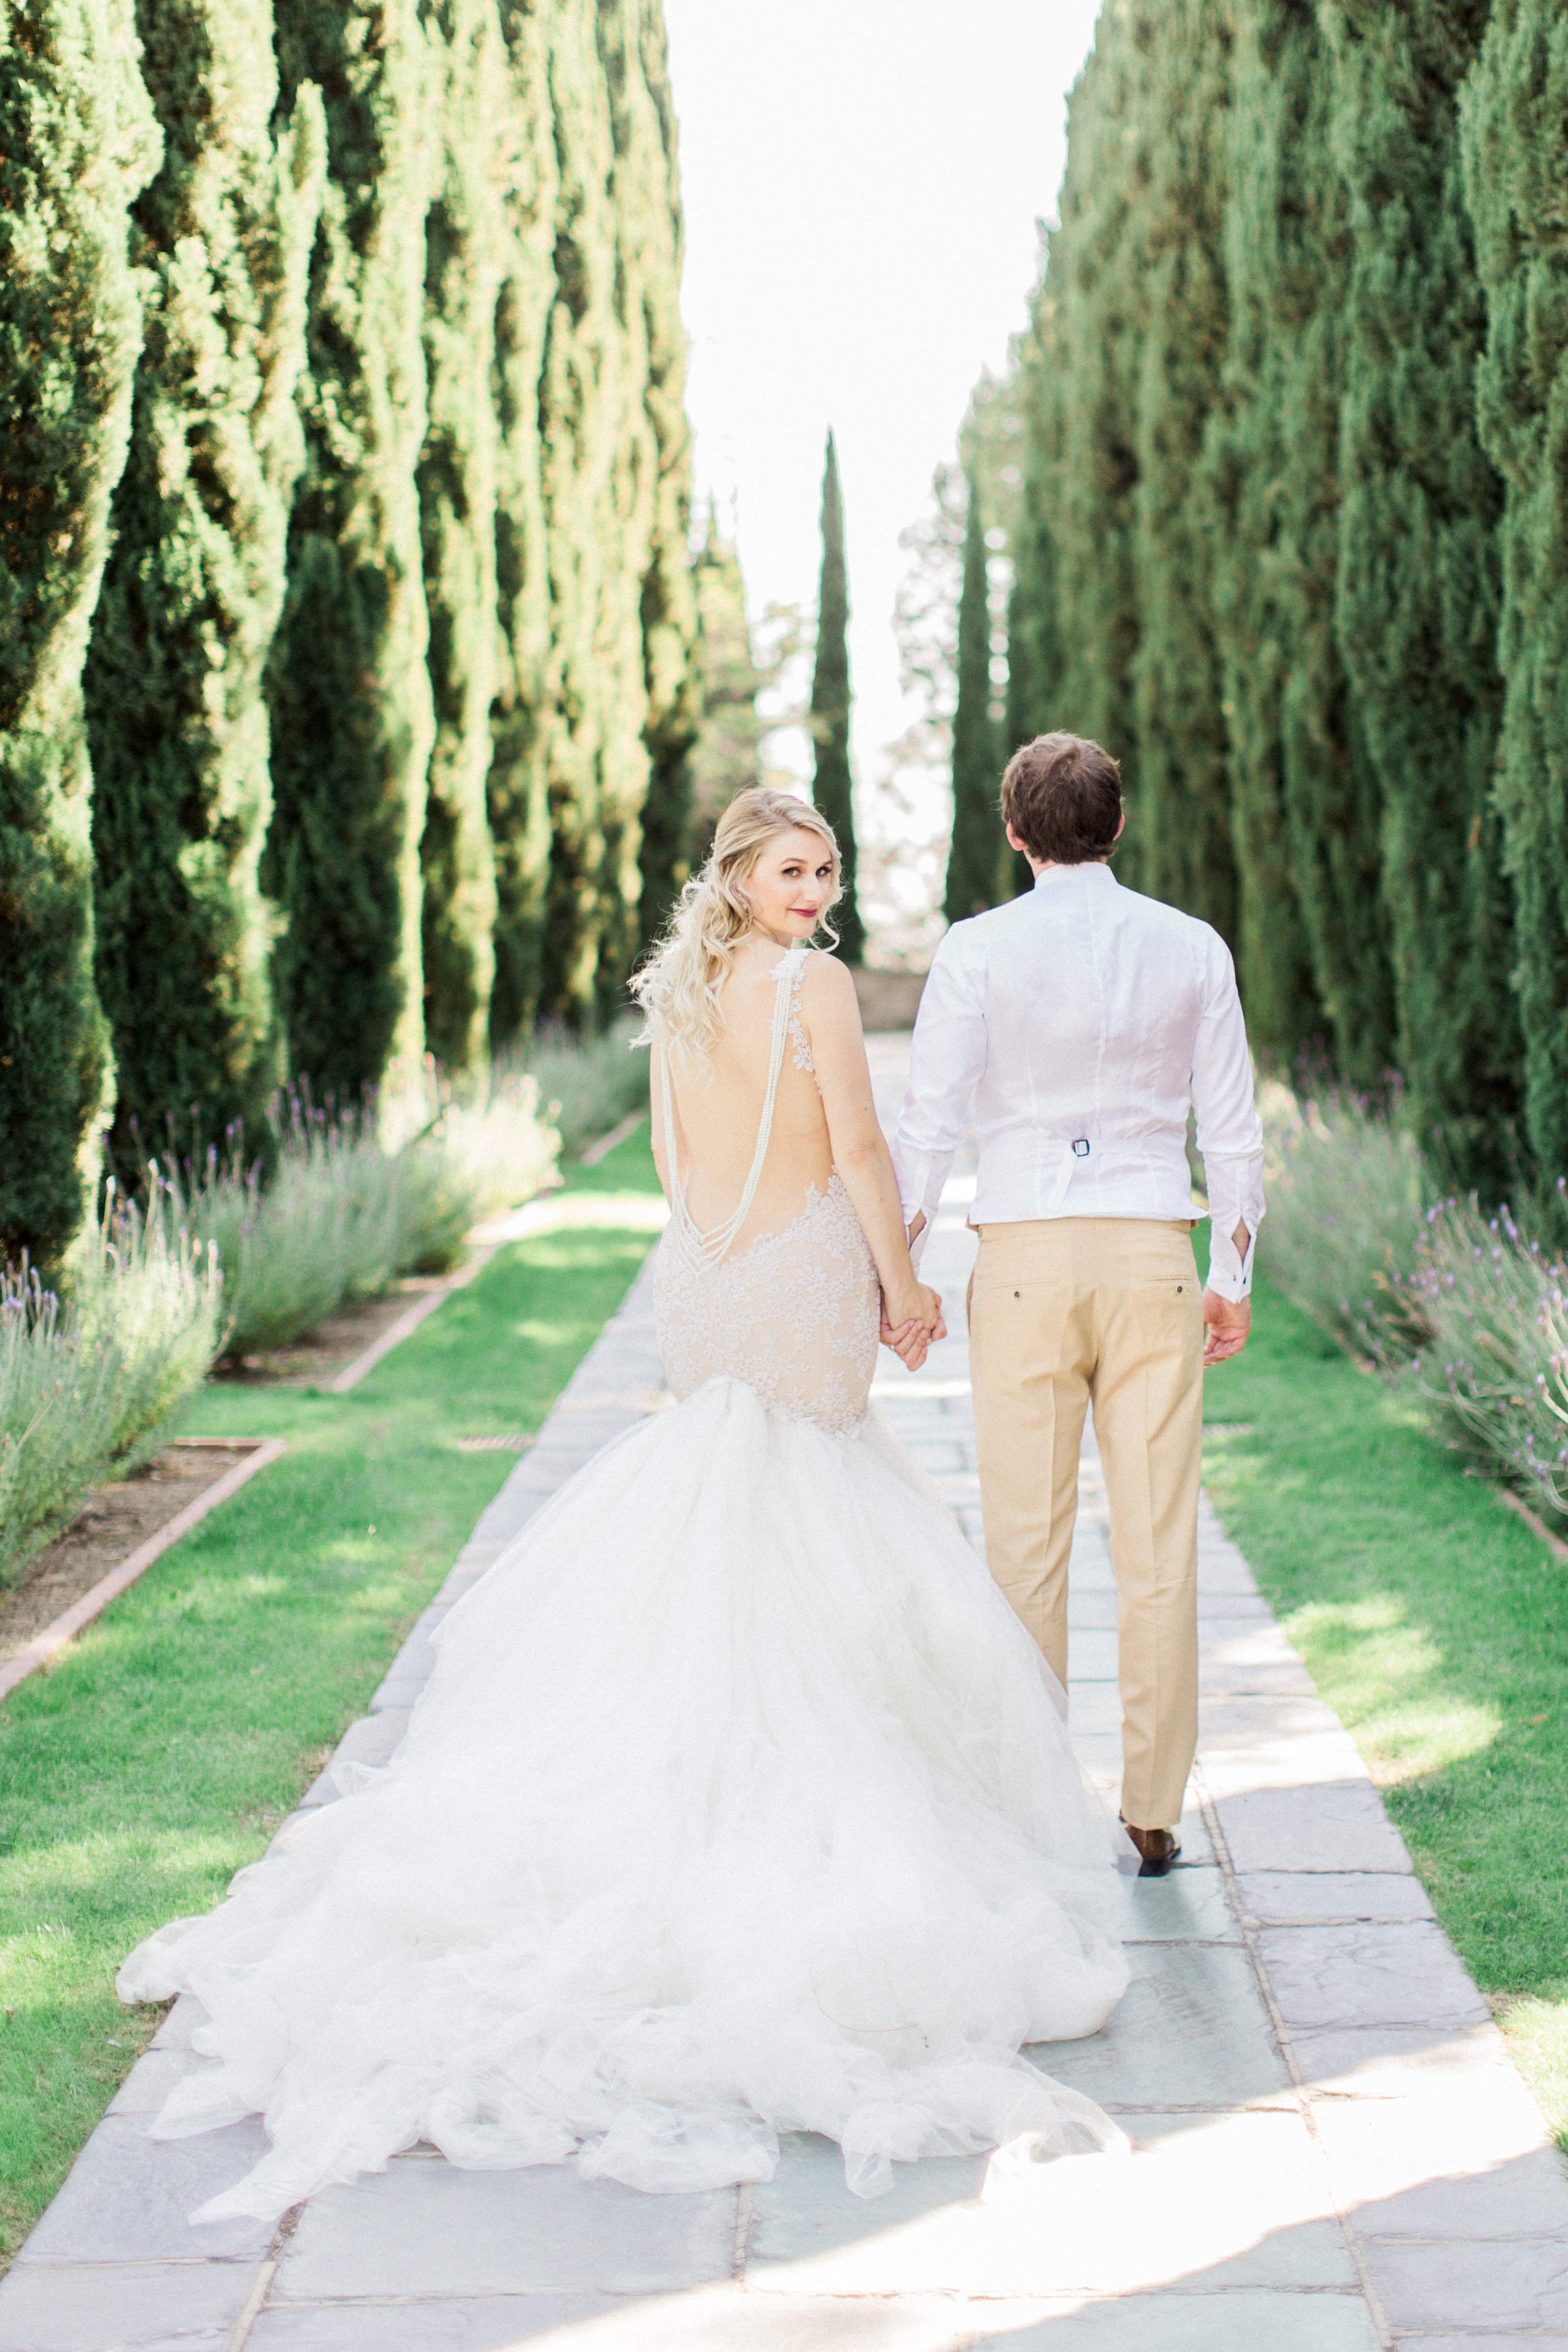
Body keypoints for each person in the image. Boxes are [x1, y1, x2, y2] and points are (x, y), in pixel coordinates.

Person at [118, 787, 1130, 2224]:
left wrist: (715, 1245)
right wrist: (899, 1284)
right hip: (793, 1265)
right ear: (736, 872)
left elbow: (670, 1157)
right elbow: (854, 1150)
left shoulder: (679, 988)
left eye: (827, 868)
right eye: (793, 866)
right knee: (811, 1503)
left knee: (726, 1497)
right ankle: (778, 1793)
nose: (817, 887)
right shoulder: (814, 985)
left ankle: (688, 1762)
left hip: (708, 1267)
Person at [892, 735, 1264, 1877]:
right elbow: (1234, 1128)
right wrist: (1233, 1274)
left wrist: (898, 1272)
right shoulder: (1192, 946)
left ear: (1016, 831)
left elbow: (929, 1125)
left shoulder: (976, 949)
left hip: (1023, 1261)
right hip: (1154, 1252)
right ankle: (1153, 1808)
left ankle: (1035, 1797)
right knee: (1157, 1542)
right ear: (1116, 822)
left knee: (1026, 1544)